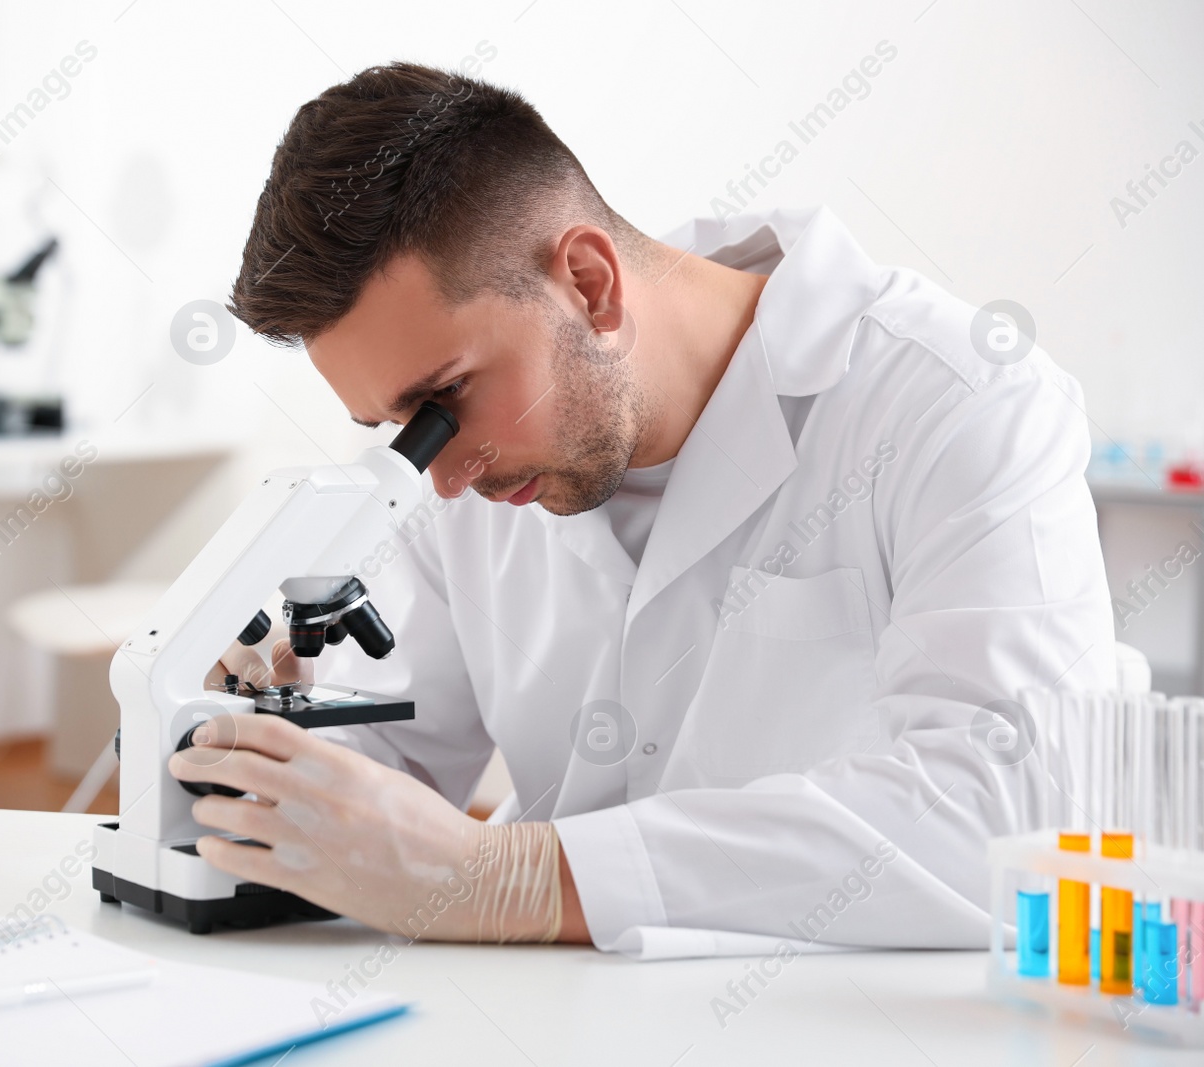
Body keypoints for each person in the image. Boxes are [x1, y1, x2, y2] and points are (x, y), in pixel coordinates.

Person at [167, 62, 1114, 952]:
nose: (443, 476)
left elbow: (1013, 812)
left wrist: (525, 878)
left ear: (588, 283)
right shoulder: (469, 463)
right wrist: (247, 736)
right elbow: (395, 770)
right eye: (396, 428)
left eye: (442, 402)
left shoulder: (959, 403)